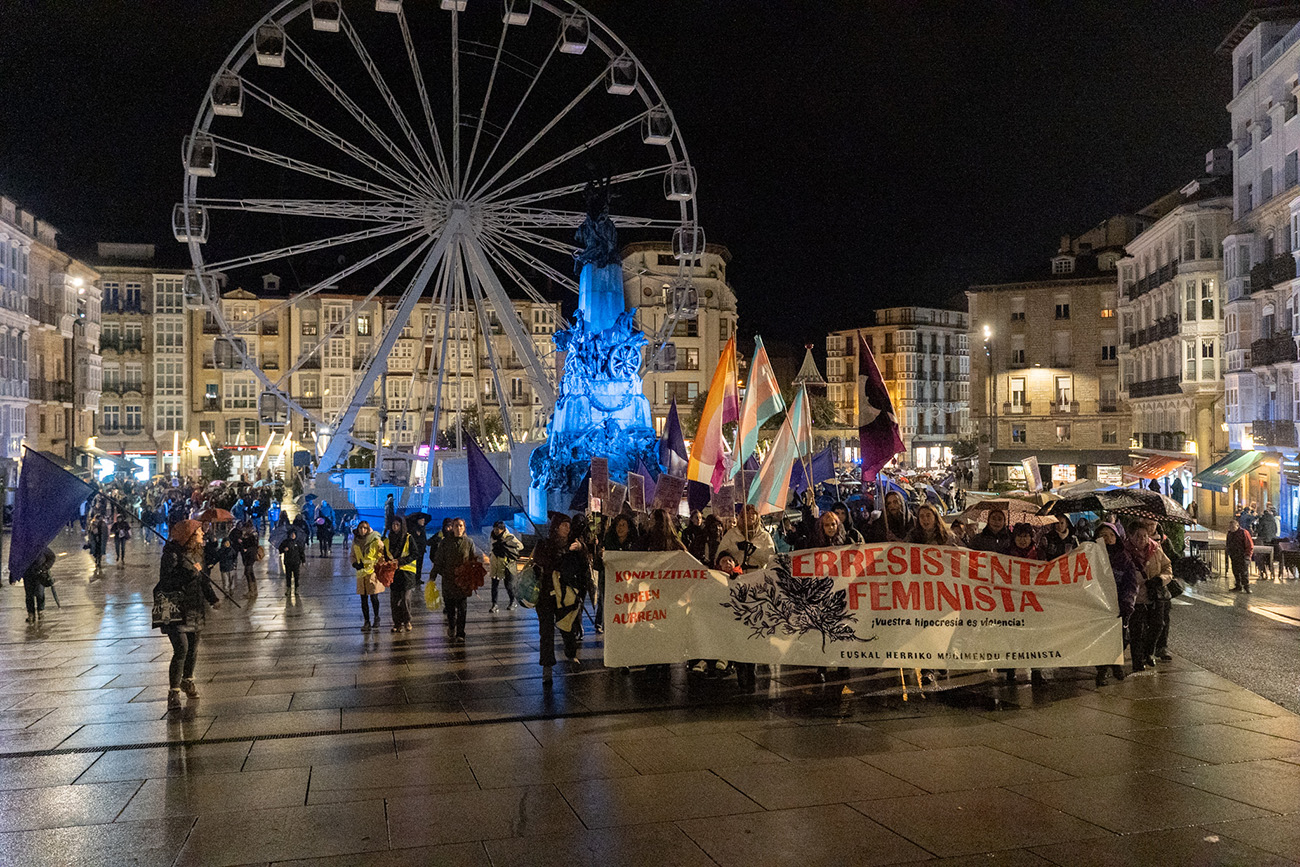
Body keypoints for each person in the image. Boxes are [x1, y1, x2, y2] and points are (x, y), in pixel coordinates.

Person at [153, 520, 219, 711]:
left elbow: (203, 579)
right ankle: (173, 692)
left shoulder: (197, 553)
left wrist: (213, 598)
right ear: (189, 535)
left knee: (193, 649)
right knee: (181, 648)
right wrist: (188, 574)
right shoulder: (172, 554)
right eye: (198, 532)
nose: (202, 534)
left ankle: (188, 680)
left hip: (195, 608)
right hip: (177, 609)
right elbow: (166, 582)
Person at [531, 514, 589, 681]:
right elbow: (540, 561)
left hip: (566, 595)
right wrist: (555, 557)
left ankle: (571, 655)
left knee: (567, 627)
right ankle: (547, 666)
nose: (567, 529)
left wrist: (581, 550)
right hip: (546, 594)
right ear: (556, 527)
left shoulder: (574, 545)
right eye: (564, 525)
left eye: (568, 526)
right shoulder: (544, 544)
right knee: (546, 632)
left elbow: (583, 566)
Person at [430, 517, 487, 642]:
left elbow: (473, 559)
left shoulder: (469, 542)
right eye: (456, 526)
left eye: (461, 526)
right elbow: (438, 560)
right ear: (452, 528)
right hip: (448, 579)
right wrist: (432, 576)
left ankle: (461, 633)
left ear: (464, 528)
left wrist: (473, 571)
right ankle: (451, 626)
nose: (458, 528)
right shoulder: (445, 542)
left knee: (462, 608)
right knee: (450, 607)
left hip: (463, 581)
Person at [1126, 521, 1173, 671]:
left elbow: (1167, 567)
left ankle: (1148, 653)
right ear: (1130, 536)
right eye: (1138, 536)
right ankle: (1137, 660)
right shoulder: (1125, 552)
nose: (1142, 539)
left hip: (1154, 595)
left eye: (1145, 536)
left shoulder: (1156, 549)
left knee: (1157, 625)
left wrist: (1160, 580)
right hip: (1135, 597)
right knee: (1137, 630)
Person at [1094, 522, 1136, 685]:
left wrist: (1127, 602)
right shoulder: (1092, 555)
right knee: (1102, 639)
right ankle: (1102, 671)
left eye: (1111, 535)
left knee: (1120, 639)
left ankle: (1116, 663)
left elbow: (1131, 582)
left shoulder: (1124, 558)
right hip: (1099, 604)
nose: (1108, 538)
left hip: (1119, 605)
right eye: (1104, 535)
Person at [384, 516, 419, 633]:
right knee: (394, 600)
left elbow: (415, 553)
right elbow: (385, 555)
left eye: (397, 525)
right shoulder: (388, 540)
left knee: (405, 599)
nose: (395, 527)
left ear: (402, 526)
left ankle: (407, 621)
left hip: (407, 574)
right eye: (393, 525)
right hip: (394, 574)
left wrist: (400, 561)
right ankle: (397, 623)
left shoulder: (408, 538)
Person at [350, 520, 385, 630]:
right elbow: (352, 555)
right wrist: (355, 564)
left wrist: (379, 565)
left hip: (372, 573)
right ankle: (366, 621)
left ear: (368, 529)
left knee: (374, 597)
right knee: (363, 598)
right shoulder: (356, 541)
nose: (362, 530)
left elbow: (382, 552)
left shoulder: (375, 540)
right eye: (360, 528)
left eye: (365, 528)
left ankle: (376, 617)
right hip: (361, 573)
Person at [489, 520, 524, 613]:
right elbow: (491, 547)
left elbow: (520, 546)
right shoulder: (492, 536)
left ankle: (512, 601)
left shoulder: (509, 537)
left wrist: (507, 547)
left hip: (507, 565)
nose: (496, 531)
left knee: (509, 585)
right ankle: (494, 604)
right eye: (495, 529)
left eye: (498, 529)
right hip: (495, 564)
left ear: (503, 529)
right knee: (494, 585)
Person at [19, 547, 55, 624]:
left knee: (40, 593)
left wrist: (45, 567)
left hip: (39, 575)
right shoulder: (23, 549)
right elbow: (17, 561)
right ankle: (31, 614)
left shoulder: (41, 548)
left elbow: (52, 557)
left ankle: (40, 611)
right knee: (29, 595)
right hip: (28, 575)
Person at [1226, 518, 1254, 593]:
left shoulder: (1244, 532)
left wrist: (1248, 555)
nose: (1231, 529)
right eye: (1230, 527)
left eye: (1233, 527)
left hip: (1243, 555)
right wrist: (1229, 552)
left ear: (1237, 526)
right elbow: (1228, 544)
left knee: (1244, 572)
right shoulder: (1230, 533)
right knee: (1235, 571)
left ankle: (1246, 587)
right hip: (1234, 555)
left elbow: (1249, 545)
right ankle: (1238, 586)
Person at [233, 520, 260, 597]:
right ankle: (253, 590)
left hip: (250, 556)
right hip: (247, 556)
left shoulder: (252, 535)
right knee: (250, 572)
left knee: (248, 572)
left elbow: (254, 546)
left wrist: (246, 549)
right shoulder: (246, 535)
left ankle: (252, 590)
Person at [278, 526, 307, 595]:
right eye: (292, 534)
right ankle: (288, 588)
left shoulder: (298, 543)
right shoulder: (285, 542)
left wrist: (303, 561)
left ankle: (296, 588)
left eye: (294, 534)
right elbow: (280, 549)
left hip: (296, 562)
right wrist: (284, 549)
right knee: (288, 576)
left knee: (296, 576)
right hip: (288, 561)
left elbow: (301, 552)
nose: (293, 535)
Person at [1254, 506, 1279, 581]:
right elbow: (1275, 530)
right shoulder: (1273, 520)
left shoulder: (1262, 519)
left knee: (1260, 555)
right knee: (1270, 557)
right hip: (1272, 541)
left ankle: (1262, 571)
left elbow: (1259, 530)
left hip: (1263, 540)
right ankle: (1271, 571)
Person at [405, 513, 430, 588]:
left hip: (421, 550)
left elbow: (429, 517)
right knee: (414, 565)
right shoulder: (412, 528)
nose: (423, 521)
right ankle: (414, 579)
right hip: (415, 550)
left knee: (419, 565)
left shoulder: (422, 528)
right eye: (421, 520)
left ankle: (417, 579)